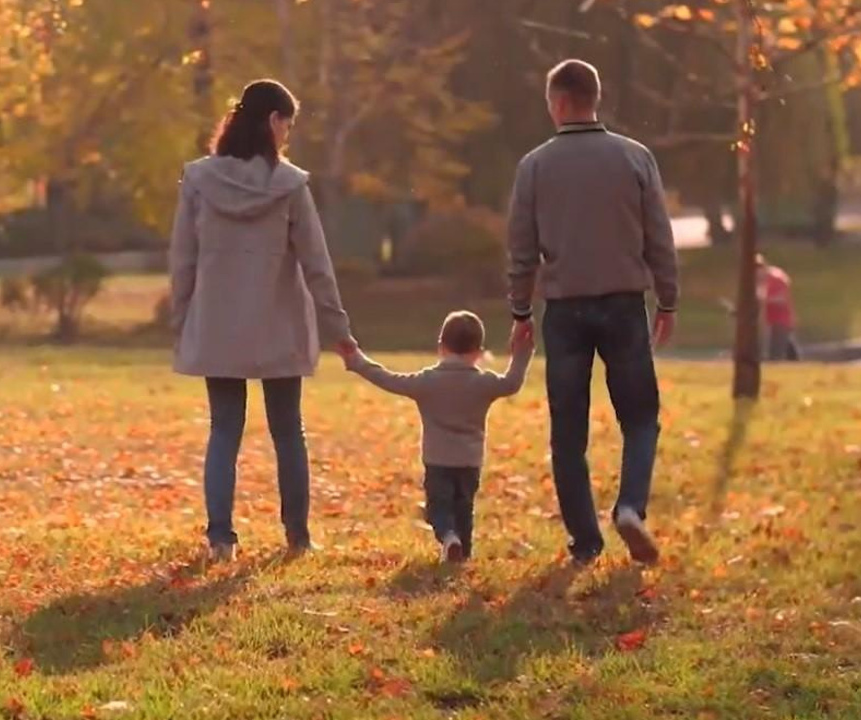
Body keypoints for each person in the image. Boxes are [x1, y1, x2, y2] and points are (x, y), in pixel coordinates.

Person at [169, 79, 356, 563]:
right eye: (288, 125)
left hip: (217, 323)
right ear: (274, 121)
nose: (287, 135)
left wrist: (181, 319)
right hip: (279, 324)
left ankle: (220, 538)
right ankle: (297, 535)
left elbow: (182, 258)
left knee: (224, 428)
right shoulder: (290, 186)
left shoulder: (198, 180)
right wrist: (338, 329)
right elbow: (317, 263)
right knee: (287, 429)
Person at [507, 59, 679, 566]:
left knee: (567, 433)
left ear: (559, 102)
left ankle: (585, 542)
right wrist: (666, 299)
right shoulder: (635, 158)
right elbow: (659, 238)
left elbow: (521, 250)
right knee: (641, 417)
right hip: (625, 304)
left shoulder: (534, 166)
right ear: (594, 97)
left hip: (563, 310)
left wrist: (520, 310)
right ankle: (630, 506)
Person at [339, 311, 535, 563]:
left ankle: (449, 539)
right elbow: (512, 382)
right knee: (464, 509)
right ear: (478, 351)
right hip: (470, 461)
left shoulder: (427, 381)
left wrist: (356, 361)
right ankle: (462, 552)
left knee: (437, 510)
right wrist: (522, 351)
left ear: (441, 346)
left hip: (437, 460)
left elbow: (387, 378)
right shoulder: (484, 383)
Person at [756, 255, 800, 361]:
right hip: (769, 321)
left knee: (776, 353)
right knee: (777, 349)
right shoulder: (758, 280)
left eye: (757, 269)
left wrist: (765, 300)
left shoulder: (777, 278)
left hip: (781, 320)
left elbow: (782, 298)